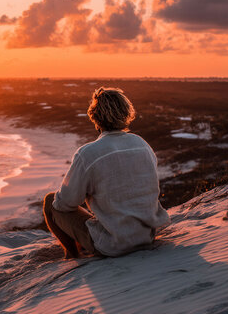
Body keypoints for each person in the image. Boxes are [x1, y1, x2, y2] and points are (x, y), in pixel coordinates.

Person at [43, 87, 170, 259]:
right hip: (146, 236)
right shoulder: (142, 144)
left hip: (114, 245)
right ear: (126, 113)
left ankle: (72, 256)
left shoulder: (88, 154)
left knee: (51, 201)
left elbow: (66, 203)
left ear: (95, 117)